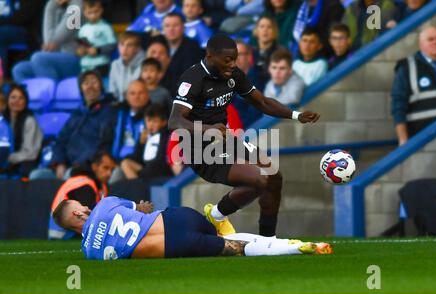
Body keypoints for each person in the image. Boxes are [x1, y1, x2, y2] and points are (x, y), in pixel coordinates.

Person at [169, 34, 320, 237]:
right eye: (227, 59)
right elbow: (175, 121)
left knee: (274, 176)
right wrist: (209, 129)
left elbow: (262, 102)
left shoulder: (233, 75)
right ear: (210, 56)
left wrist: (296, 115)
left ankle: (269, 239)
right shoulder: (193, 79)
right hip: (197, 149)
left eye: (235, 58)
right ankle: (216, 215)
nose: (233, 64)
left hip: (224, 140)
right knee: (259, 180)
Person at [52, 195, 333, 259]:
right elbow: (142, 209)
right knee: (226, 233)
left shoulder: (90, 253)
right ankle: (219, 218)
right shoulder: (105, 204)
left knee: (235, 248)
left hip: (175, 247)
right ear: (78, 211)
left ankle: (296, 249)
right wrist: (141, 208)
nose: (86, 207)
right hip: (178, 218)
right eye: (81, 206)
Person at [50, 70, 116, 179]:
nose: (90, 86)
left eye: (94, 82)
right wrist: (60, 162)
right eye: (86, 83)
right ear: (81, 88)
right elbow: (61, 140)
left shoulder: (109, 111)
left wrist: (84, 163)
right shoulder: (77, 113)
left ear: (101, 86)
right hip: (67, 164)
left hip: (89, 166)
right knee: (38, 175)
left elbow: (105, 142)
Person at [391, 26, 436, 145]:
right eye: (430, 39)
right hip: (421, 138)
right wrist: (403, 139)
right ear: (421, 44)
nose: (435, 42)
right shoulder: (407, 67)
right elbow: (398, 104)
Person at [48, 150, 116, 239]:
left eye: (112, 169)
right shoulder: (84, 185)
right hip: (64, 233)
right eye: (105, 168)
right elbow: (91, 218)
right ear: (95, 166)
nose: (109, 174)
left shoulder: (99, 185)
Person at [12, 0, 84, 82]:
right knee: (19, 70)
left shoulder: (77, 5)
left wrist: (52, 6)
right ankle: (35, 94)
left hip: (75, 58)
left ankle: (51, 93)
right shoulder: (54, 5)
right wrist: (52, 4)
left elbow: (54, 39)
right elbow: (48, 41)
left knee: (39, 58)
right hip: (54, 58)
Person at [121, 103, 173, 182]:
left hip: (160, 169)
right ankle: (137, 186)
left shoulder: (165, 136)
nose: (151, 125)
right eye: (149, 120)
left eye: (155, 121)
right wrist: (141, 144)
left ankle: (140, 186)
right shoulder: (145, 135)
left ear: (164, 122)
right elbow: (138, 158)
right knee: (125, 163)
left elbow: (161, 158)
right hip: (146, 168)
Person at [1, 84, 43, 177]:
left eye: (21, 98)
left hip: (23, 162)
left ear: (26, 102)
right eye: (13, 97)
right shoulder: (2, 120)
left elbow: (31, 153)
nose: (16, 101)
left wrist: (7, 158)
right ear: (7, 100)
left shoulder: (30, 121)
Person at [161, 12, 204, 97]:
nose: (171, 29)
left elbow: (188, 80)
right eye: (167, 26)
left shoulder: (192, 49)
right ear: (163, 30)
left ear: (183, 28)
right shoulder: (160, 46)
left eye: (175, 25)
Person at [76, 0, 116, 76]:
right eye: (90, 12)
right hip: (85, 65)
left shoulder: (106, 27)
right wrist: (79, 51)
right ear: (84, 13)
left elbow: (113, 45)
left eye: (96, 12)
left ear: (101, 10)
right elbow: (80, 46)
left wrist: (98, 50)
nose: (93, 15)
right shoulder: (82, 29)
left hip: (101, 64)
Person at [109, 32, 145, 102]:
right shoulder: (115, 65)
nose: (124, 49)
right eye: (122, 45)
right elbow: (113, 91)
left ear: (137, 49)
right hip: (120, 105)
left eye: (129, 45)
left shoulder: (145, 64)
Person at [250, 15, 283, 86]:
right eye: (262, 26)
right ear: (256, 30)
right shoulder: (250, 51)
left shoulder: (281, 53)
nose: (265, 30)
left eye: (269, 27)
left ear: (274, 31)